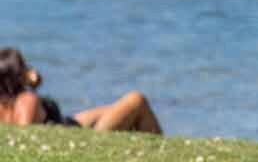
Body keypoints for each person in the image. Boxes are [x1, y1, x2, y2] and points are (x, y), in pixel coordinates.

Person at [0, 48, 162, 133]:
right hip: (75, 133)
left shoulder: (6, 103)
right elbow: (24, 132)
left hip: (69, 122)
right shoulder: (26, 99)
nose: (29, 69)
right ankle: (159, 152)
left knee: (112, 108)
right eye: (24, 67)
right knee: (137, 100)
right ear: (17, 75)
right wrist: (32, 80)